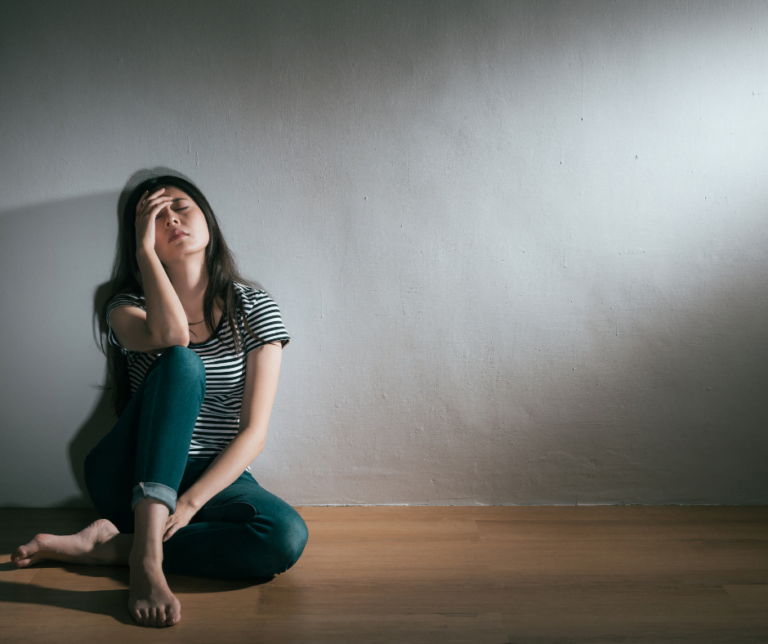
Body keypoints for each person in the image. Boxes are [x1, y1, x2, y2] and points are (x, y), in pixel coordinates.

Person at [11, 174, 308, 628]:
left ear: (207, 218)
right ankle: (146, 558)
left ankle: (111, 548)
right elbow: (172, 338)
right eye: (153, 217)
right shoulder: (124, 306)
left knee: (283, 536)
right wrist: (146, 253)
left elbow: (254, 432)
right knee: (182, 363)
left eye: (181, 207)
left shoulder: (253, 307)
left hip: (213, 473)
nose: (170, 218)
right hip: (127, 473)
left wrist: (189, 504)